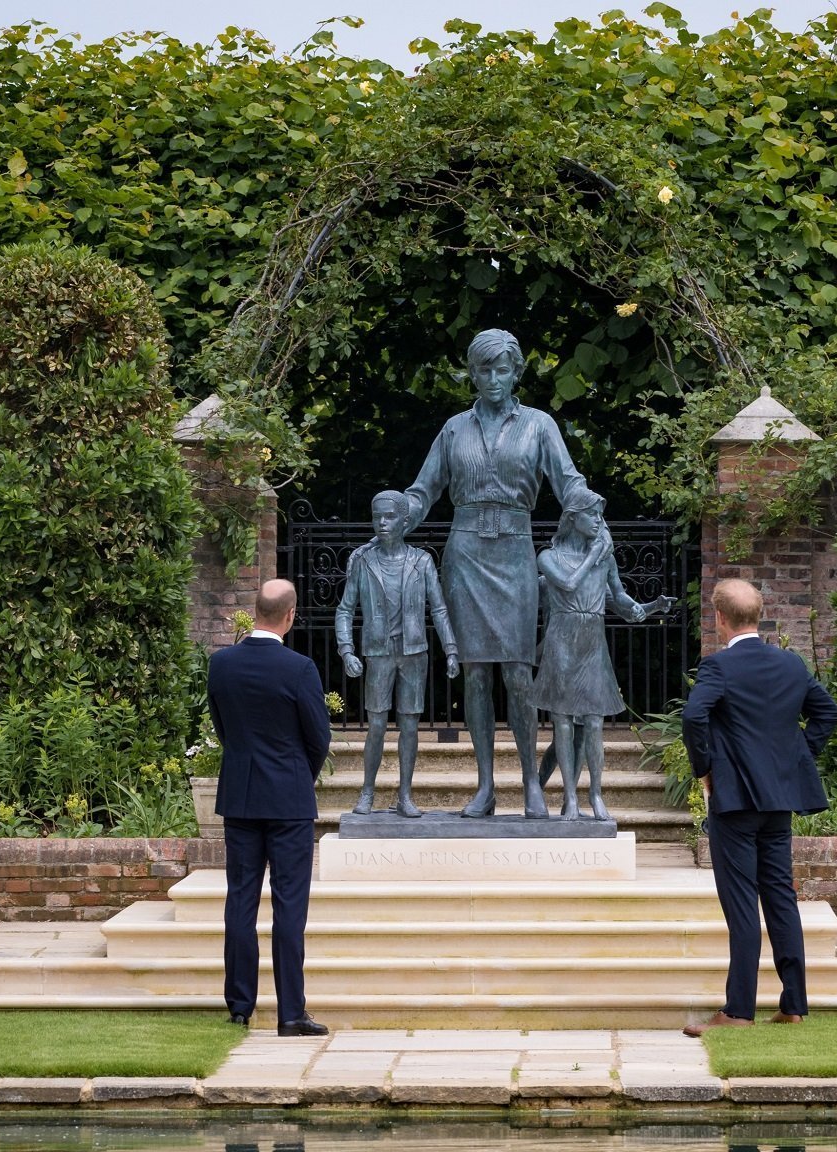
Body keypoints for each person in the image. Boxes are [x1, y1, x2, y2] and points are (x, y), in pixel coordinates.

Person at [401, 328, 589, 819]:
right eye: (483, 369)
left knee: (518, 673)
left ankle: (530, 781)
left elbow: (568, 483)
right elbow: (424, 490)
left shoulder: (540, 426)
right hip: (465, 555)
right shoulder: (454, 429)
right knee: (476, 673)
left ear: (516, 371)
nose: (492, 378)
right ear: (472, 374)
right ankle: (485, 786)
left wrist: (592, 513)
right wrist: (400, 513)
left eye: (501, 369)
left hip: (515, 553)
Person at [680, 578, 837, 1037]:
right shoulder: (790, 664)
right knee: (780, 899)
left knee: (742, 905)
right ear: (759, 614)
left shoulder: (718, 668)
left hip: (734, 803)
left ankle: (738, 1011)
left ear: (720, 619)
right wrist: (796, 759)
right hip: (778, 803)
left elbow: (694, 716)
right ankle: (793, 1005)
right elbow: (826, 712)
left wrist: (706, 769)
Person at [206, 578, 332, 1037]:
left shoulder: (221, 664)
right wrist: (299, 773)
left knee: (240, 900)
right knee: (289, 906)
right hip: (290, 801)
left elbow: (224, 730)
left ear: (254, 610)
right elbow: (319, 738)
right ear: (290, 616)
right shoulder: (299, 669)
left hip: (241, 797)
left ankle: (240, 1005)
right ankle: (291, 1014)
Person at [533, 487, 674, 819]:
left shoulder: (604, 558)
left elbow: (621, 600)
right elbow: (567, 584)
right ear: (572, 518)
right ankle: (569, 798)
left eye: (600, 515)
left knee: (595, 721)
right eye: (591, 515)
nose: (598, 521)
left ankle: (596, 794)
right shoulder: (548, 556)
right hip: (562, 640)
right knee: (563, 723)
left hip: (592, 640)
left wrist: (650, 607)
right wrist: (595, 554)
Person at [335, 489, 461, 817]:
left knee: (409, 725)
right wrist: (347, 650)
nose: (382, 523)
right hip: (378, 653)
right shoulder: (363, 561)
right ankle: (367, 791)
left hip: (413, 652)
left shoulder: (421, 561)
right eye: (377, 517)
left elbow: (440, 609)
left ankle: (405, 795)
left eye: (389, 516)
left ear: (405, 521)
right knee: (376, 725)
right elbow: (345, 610)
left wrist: (450, 649)